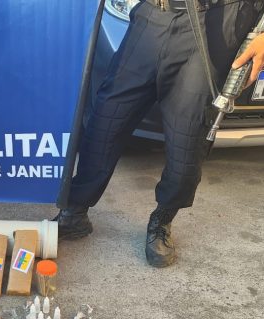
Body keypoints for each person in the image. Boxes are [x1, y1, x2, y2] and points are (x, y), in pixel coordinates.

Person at [55, 0, 264, 267]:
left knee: (188, 144)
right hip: (153, 16)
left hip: (214, 24)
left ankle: (162, 220)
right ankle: (75, 211)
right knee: (105, 122)